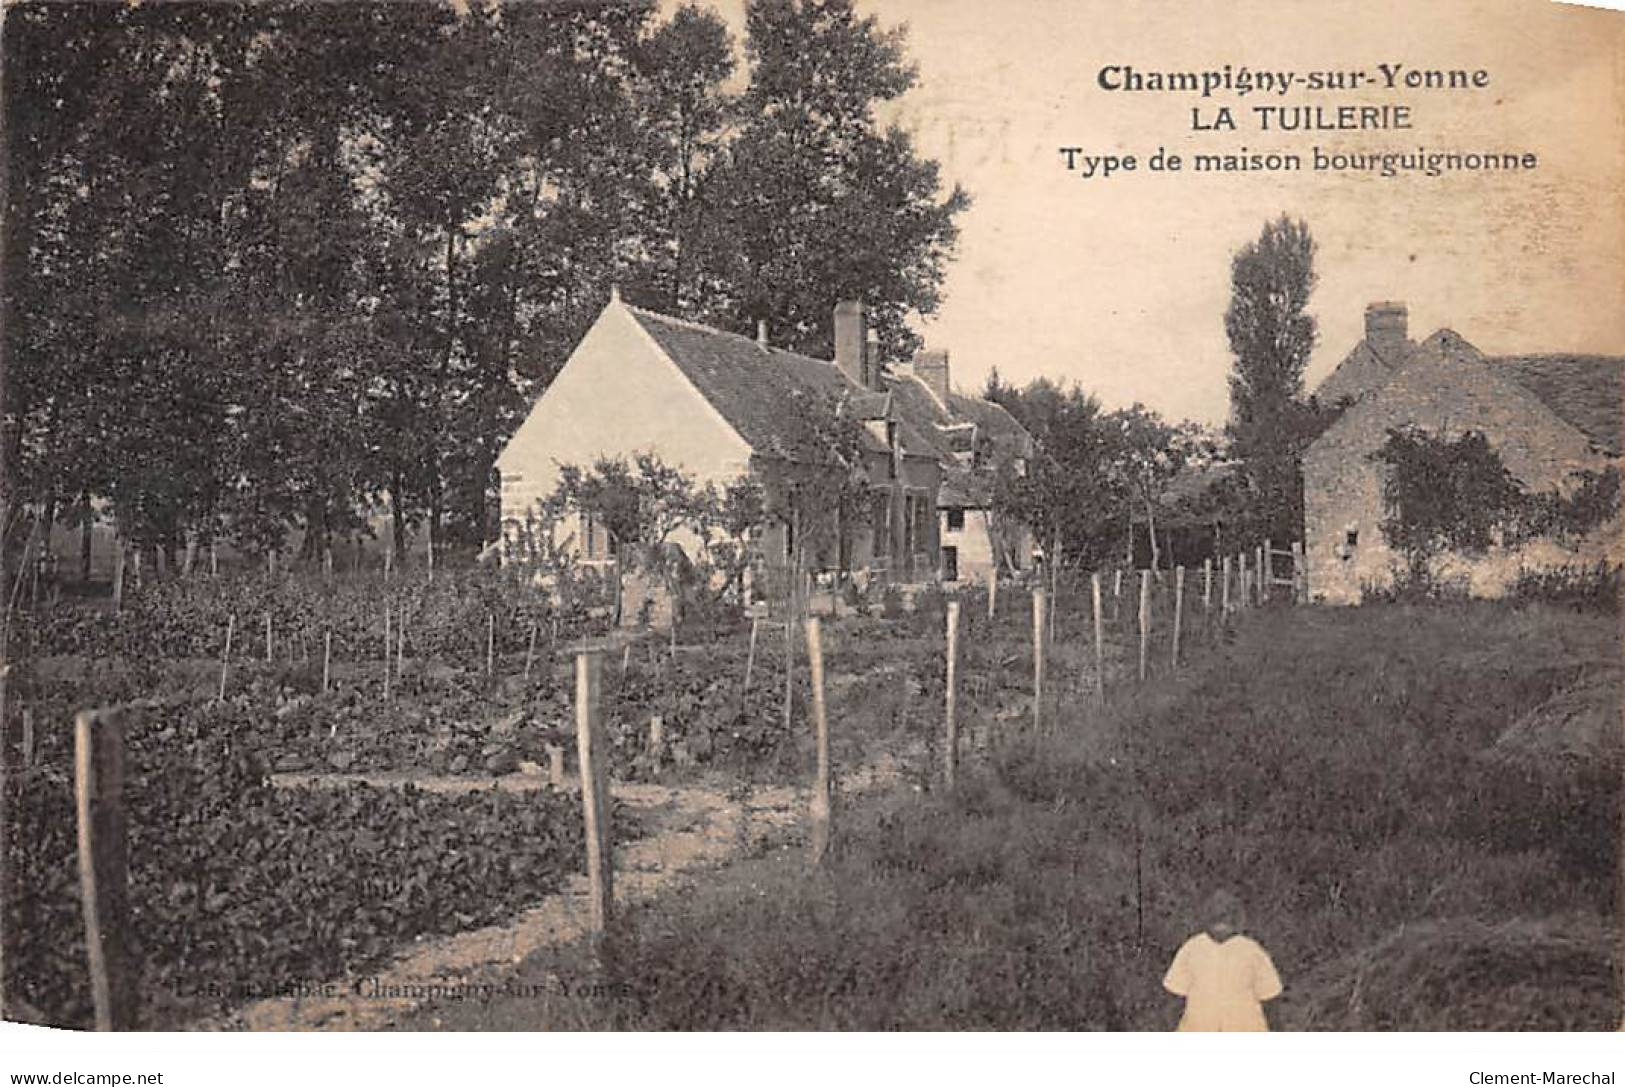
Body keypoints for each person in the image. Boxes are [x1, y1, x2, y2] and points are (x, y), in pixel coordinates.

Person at [1162, 888, 1283, 1031]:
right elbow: (1175, 996)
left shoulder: (1251, 951)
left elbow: (1270, 997)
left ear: (1236, 921)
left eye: (1225, 918)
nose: (1221, 926)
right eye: (1217, 918)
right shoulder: (1192, 949)